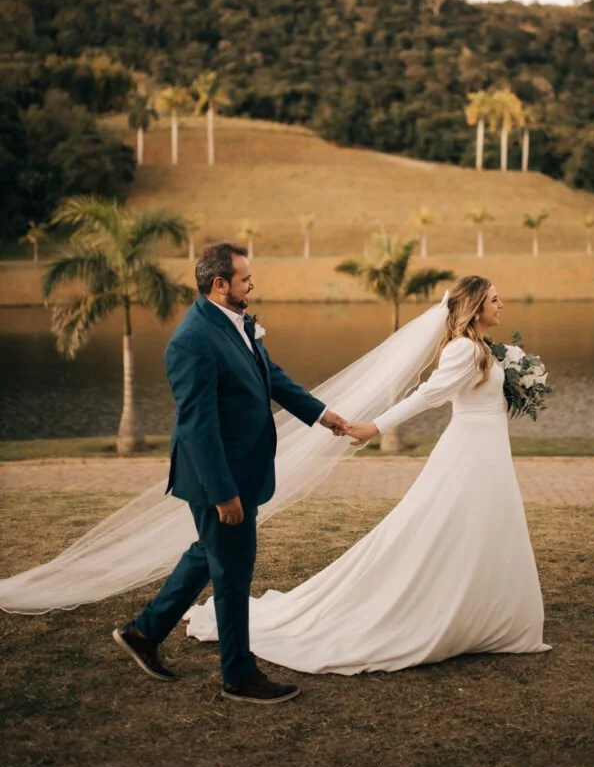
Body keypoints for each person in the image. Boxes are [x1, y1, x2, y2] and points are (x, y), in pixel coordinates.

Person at [183, 275, 552, 672]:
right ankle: (460, 611)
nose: (501, 305)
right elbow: (426, 397)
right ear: (475, 307)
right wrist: (375, 426)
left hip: (489, 450)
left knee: (489, 527)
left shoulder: (482, 348)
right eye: (495, 300)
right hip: (471, 453)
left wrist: (518, 377)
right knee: (452, 527)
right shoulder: (463, 349)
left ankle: (489, 611)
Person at [112, 242, 352, 705]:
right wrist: (223, 495)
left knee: (210, 553)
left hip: (243, 467)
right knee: (233, 572)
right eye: (244, 278)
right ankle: (238, 676)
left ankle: (144, 633)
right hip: (218, 477)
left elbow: (272, 377)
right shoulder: (192, 340)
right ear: (219, 284)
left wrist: (324, 416)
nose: (251, 284)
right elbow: (197, 426)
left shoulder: (236, 322)